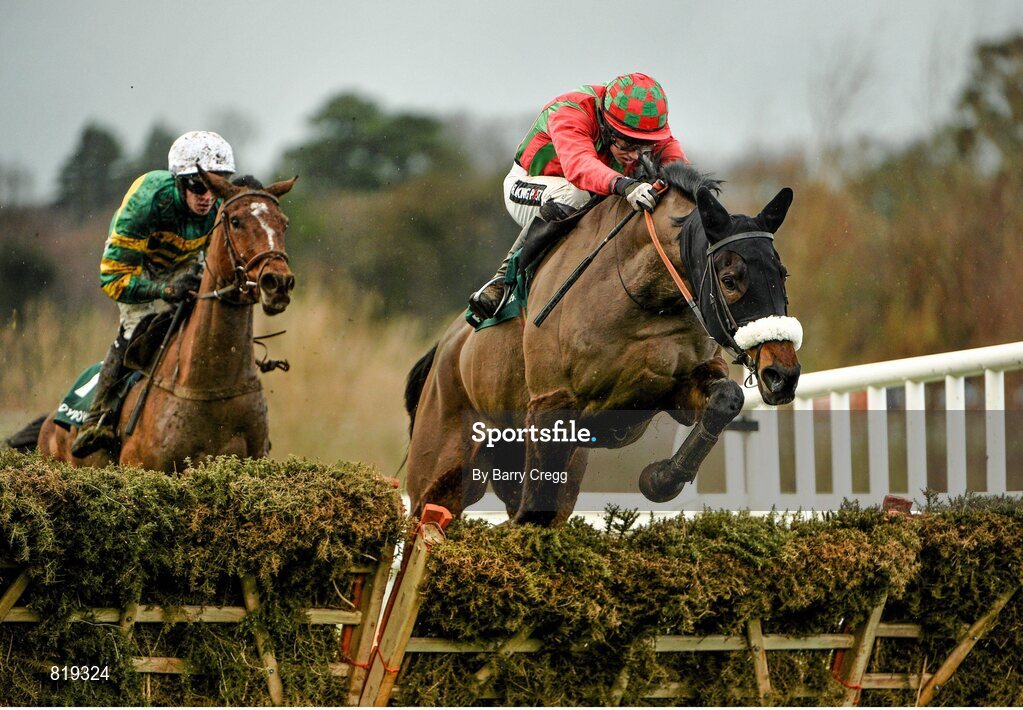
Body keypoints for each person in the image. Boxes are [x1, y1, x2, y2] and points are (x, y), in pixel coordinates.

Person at [468, 72, 689, 321]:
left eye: (645, 147)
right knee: (577, 194)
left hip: (593, 195)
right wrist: (626, 185)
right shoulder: (570, 111)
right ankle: (502, 280)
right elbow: (579, 167)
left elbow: (681, 174)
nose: (636, 156)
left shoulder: (647, 131)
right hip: (528, 185)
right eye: (627, 145)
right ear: (606, 126)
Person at [70, 131, 235, 457]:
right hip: (135, 268)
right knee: (142, 327)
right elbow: (113, 279)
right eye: (198, 187)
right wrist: (163, 290)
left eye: (215, 187)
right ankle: (98, 417)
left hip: (183, 262)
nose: (207, 197)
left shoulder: (217, 208)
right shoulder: (146, 202)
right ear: (180, 182)